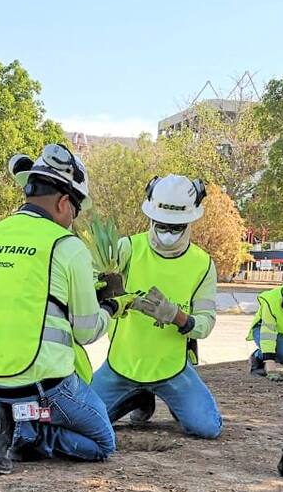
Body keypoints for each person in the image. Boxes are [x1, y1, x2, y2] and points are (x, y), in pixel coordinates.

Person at [0, 144, 119, 474]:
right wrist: (109, 306)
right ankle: (26, 432)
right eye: (74, 212)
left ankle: (8, 419)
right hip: (40, 385)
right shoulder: (66, 245)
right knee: (102, 442)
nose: (72, 220)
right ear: (63, 203)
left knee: (22, 400)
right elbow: (86, 331)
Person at [90, 175, 222, 439]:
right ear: (151, 218)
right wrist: (103, 289)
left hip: (172, 368)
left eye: (176, 227)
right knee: (84, 422)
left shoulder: (202, 264)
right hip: (122, 366)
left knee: (208, 428)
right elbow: (92, 281)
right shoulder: (127, 249)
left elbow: (205, 323)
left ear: (190, 221)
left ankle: (170, 398)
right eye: (162, 225)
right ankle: (138, 396)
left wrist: (178, 317)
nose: (168, 234)